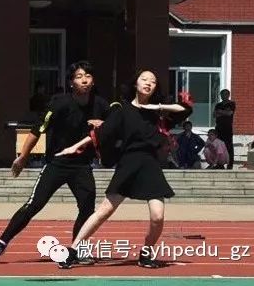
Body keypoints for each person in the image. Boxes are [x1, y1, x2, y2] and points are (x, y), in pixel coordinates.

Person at [54, 69, 192, 269]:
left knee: (158, 216)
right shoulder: (122, 110)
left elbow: (186, 109)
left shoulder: (158, 113)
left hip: (150, 164)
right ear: (135, 84)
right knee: (104, 210)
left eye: (152, 81)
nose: (148, 83)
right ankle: (73, 250)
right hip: (129, 163)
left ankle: (146, 254)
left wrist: (157, 105)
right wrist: (75, 146)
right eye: (144, 79)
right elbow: (100, 133)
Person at [0, 61, 110, 264]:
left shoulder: (101, 105)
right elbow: (36, 130)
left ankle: (78, 249)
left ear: (93, 81)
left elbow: (116, 125)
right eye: (78, 76)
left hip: (82, 166)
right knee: (34, 204)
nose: (84, 80)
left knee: (87, 207)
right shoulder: (59, 103)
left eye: (88, 76)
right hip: (56, 164)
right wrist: (23, 157)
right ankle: (0, 245)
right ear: (71, 82)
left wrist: (104, 126)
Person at [213, 89, 235, 169]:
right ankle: (220, 164)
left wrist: (220, 112)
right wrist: (224, 112)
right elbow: (214, 115)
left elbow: (229, 113)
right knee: (219, 147)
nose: (223, 96)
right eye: (222, 94)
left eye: (225, 94)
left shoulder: (231, 103)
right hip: (218, 128)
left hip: (227, 128)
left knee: (229, 146)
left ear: (228, 95)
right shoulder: (218, 105)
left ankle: (230, 165)